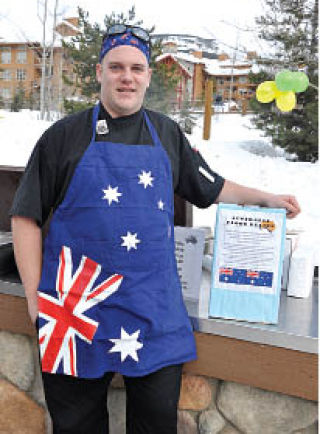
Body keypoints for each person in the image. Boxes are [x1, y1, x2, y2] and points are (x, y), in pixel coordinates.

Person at [11, 24, 300, 434]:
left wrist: (266, 198)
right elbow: (25, 216)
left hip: (153, 311)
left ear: (147, 76)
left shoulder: (166, 133)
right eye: (116, 67)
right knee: (76, 426)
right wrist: (34, 296)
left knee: (155, 426)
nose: (126, 76)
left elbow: (211, 185)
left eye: (136, 68)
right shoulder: (63, 137)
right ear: (99, 72)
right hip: (76, 311)